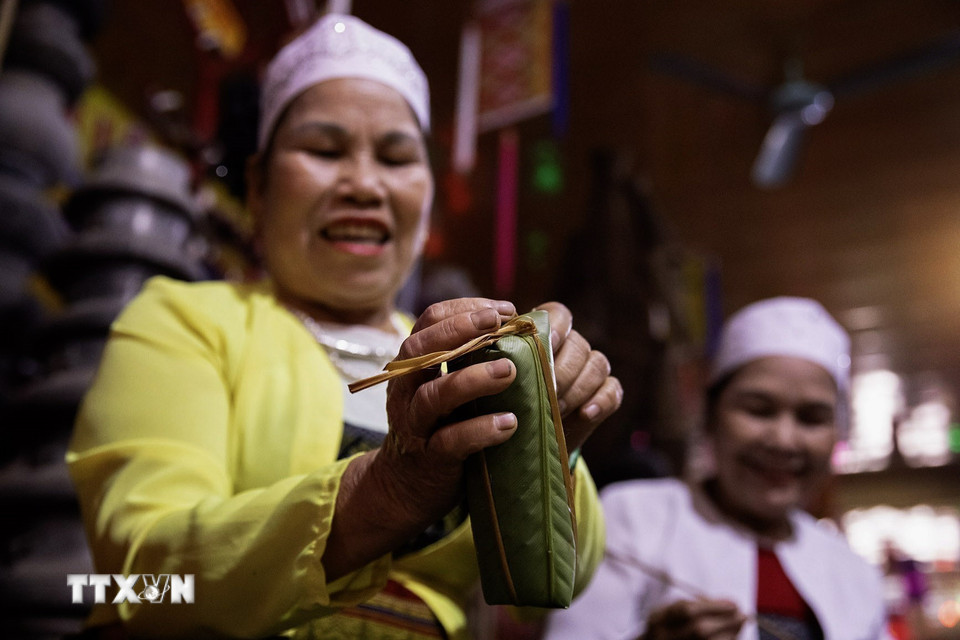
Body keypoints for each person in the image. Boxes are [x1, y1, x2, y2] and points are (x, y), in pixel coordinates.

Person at [66, 13, 621, 640]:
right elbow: (138, 570)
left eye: (396, 157)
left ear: (426, 196)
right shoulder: (187, 322)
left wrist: (554, 441)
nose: (364, 184)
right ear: (258, 187)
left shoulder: (470, 358)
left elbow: (555, 590)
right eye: (325, 151)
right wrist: (381, 496)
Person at [542, 297, 892, 640]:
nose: (785, 440)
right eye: (759, 409)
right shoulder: (633, 518)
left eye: (812, 418)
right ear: (709, 415)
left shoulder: (853, 573)